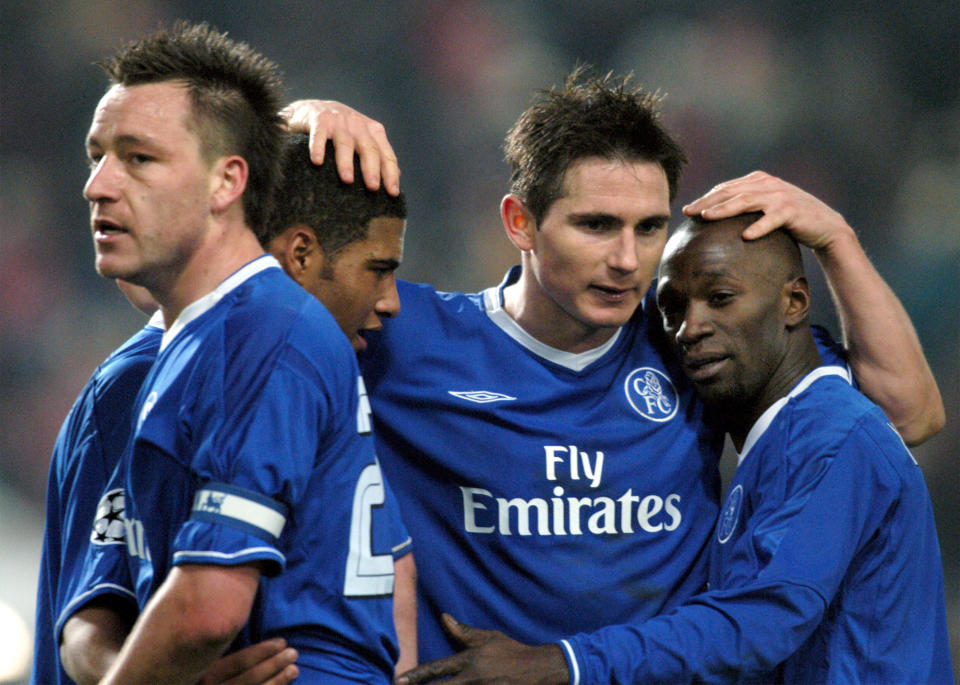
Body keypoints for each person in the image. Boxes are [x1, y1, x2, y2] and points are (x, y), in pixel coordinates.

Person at [286, 67, 944, 672]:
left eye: (650, 227)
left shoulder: (690, 339)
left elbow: (905, 412)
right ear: (521, 221)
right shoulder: (404, 332)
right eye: (597, 225)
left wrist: (835, 237)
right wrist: (294, 123)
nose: (629, 259)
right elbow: (245, 293)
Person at [60, 21, 404, 683]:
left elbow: (206, 611)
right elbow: (97, 605)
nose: (97, 185)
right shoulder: (182, 350)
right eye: (95, 155)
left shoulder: (262, 336)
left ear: (227, 184)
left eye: (138, 158)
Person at [261, 132, 417, 672]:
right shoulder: (159, 374)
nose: (394, 300)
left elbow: (397, 570)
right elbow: (94, 622)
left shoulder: (331, 370)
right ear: (300, 254)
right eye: (379, 269)